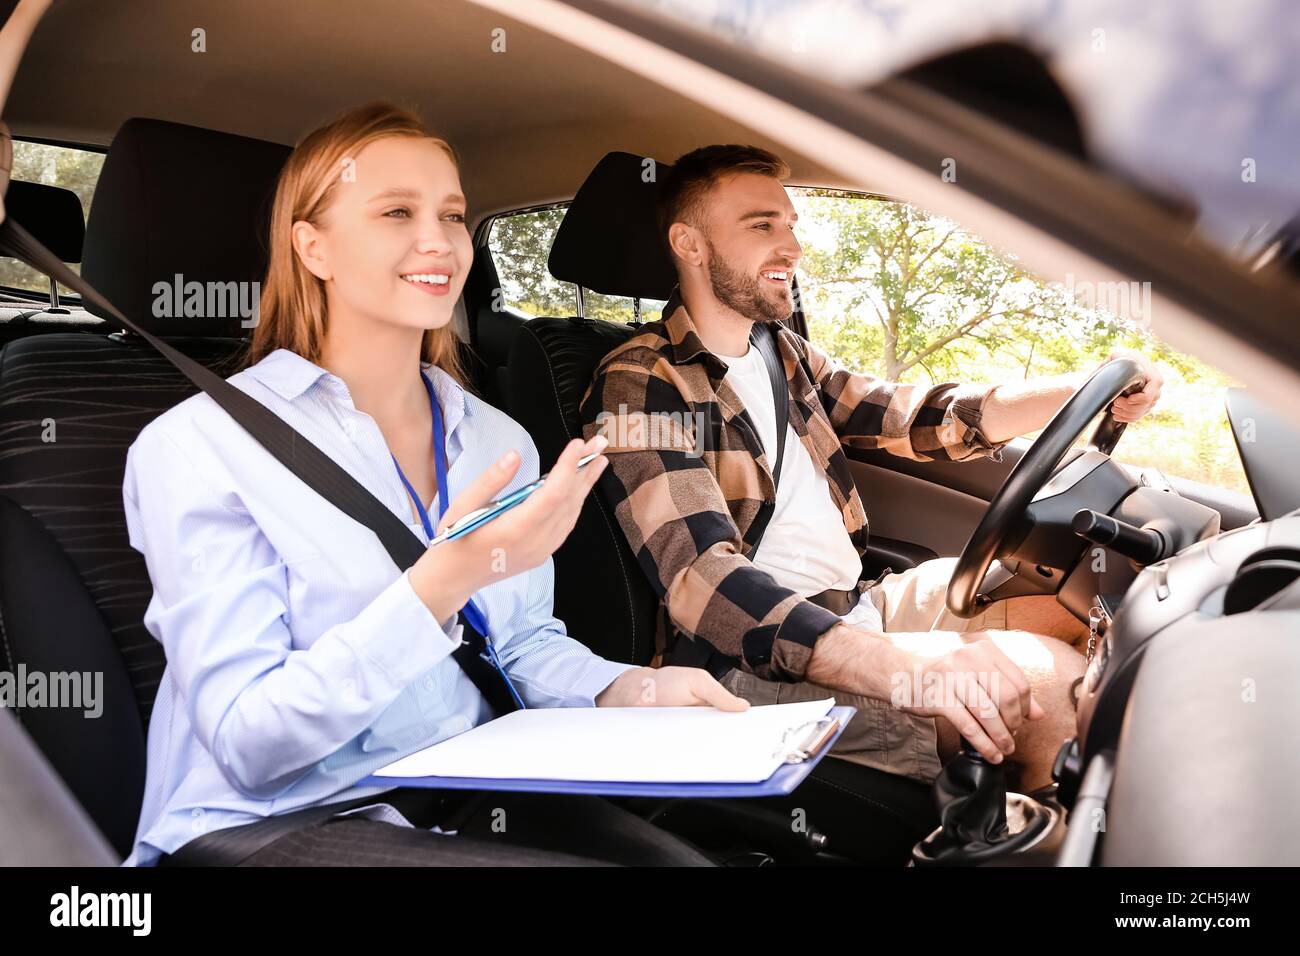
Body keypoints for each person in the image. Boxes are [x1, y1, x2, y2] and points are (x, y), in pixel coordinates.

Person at [120, 103, 746, 867]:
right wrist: (440, 582)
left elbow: (516, 644)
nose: (439, 241)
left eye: (451, 214)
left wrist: (637, 690)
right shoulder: (199, 447)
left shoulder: (494, 437)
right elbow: (252, 744)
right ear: (311, 247)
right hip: (277, 823)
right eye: (395, 212)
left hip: (468, 789)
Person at [580, 144, 1165, 795]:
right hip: (747, 665)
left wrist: (1082, 388)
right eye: (761, 225)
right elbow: (700, 578)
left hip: (856, 607)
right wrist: (895, 667)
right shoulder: (640, 382)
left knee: (1079, 612)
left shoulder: (782, 353)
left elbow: (912, 417)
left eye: (791, 225)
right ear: (688, 244)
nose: (792, 247)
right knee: (1046, 686)